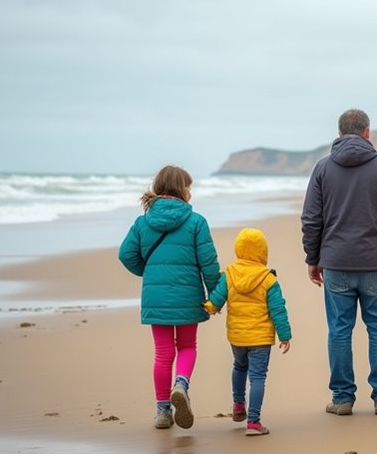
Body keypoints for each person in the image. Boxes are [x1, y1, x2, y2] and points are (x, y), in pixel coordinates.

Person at [301, 108, 377, 416]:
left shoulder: (323, 168)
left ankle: (341, 398)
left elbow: (311, 219)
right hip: (376, 261)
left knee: (339, 329)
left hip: (336, 261)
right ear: (367, 132)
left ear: (339, 135)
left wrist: (313, 258)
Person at [118, 165, 221, 430]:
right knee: (187, 346)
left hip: (156, 296)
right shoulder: (196, 221)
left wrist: (150, 273)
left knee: (162, 354)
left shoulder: (143, 222)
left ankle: (163, 411)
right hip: (189, 295)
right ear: (182, 189)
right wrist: (215, 296)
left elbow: (125, 255)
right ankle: (182, 384)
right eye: (188, 186)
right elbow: (208, 263)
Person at [203, 228, 292, 436]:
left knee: (239, 366)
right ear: (263, 252)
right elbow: (278, 309)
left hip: (237, 337)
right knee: (258, 377)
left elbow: (217, 298)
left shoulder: (229, 274)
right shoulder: (268, 279)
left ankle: (238, 404)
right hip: (260, 338)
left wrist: (209, 307)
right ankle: (253, 422)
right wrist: (285, 335)